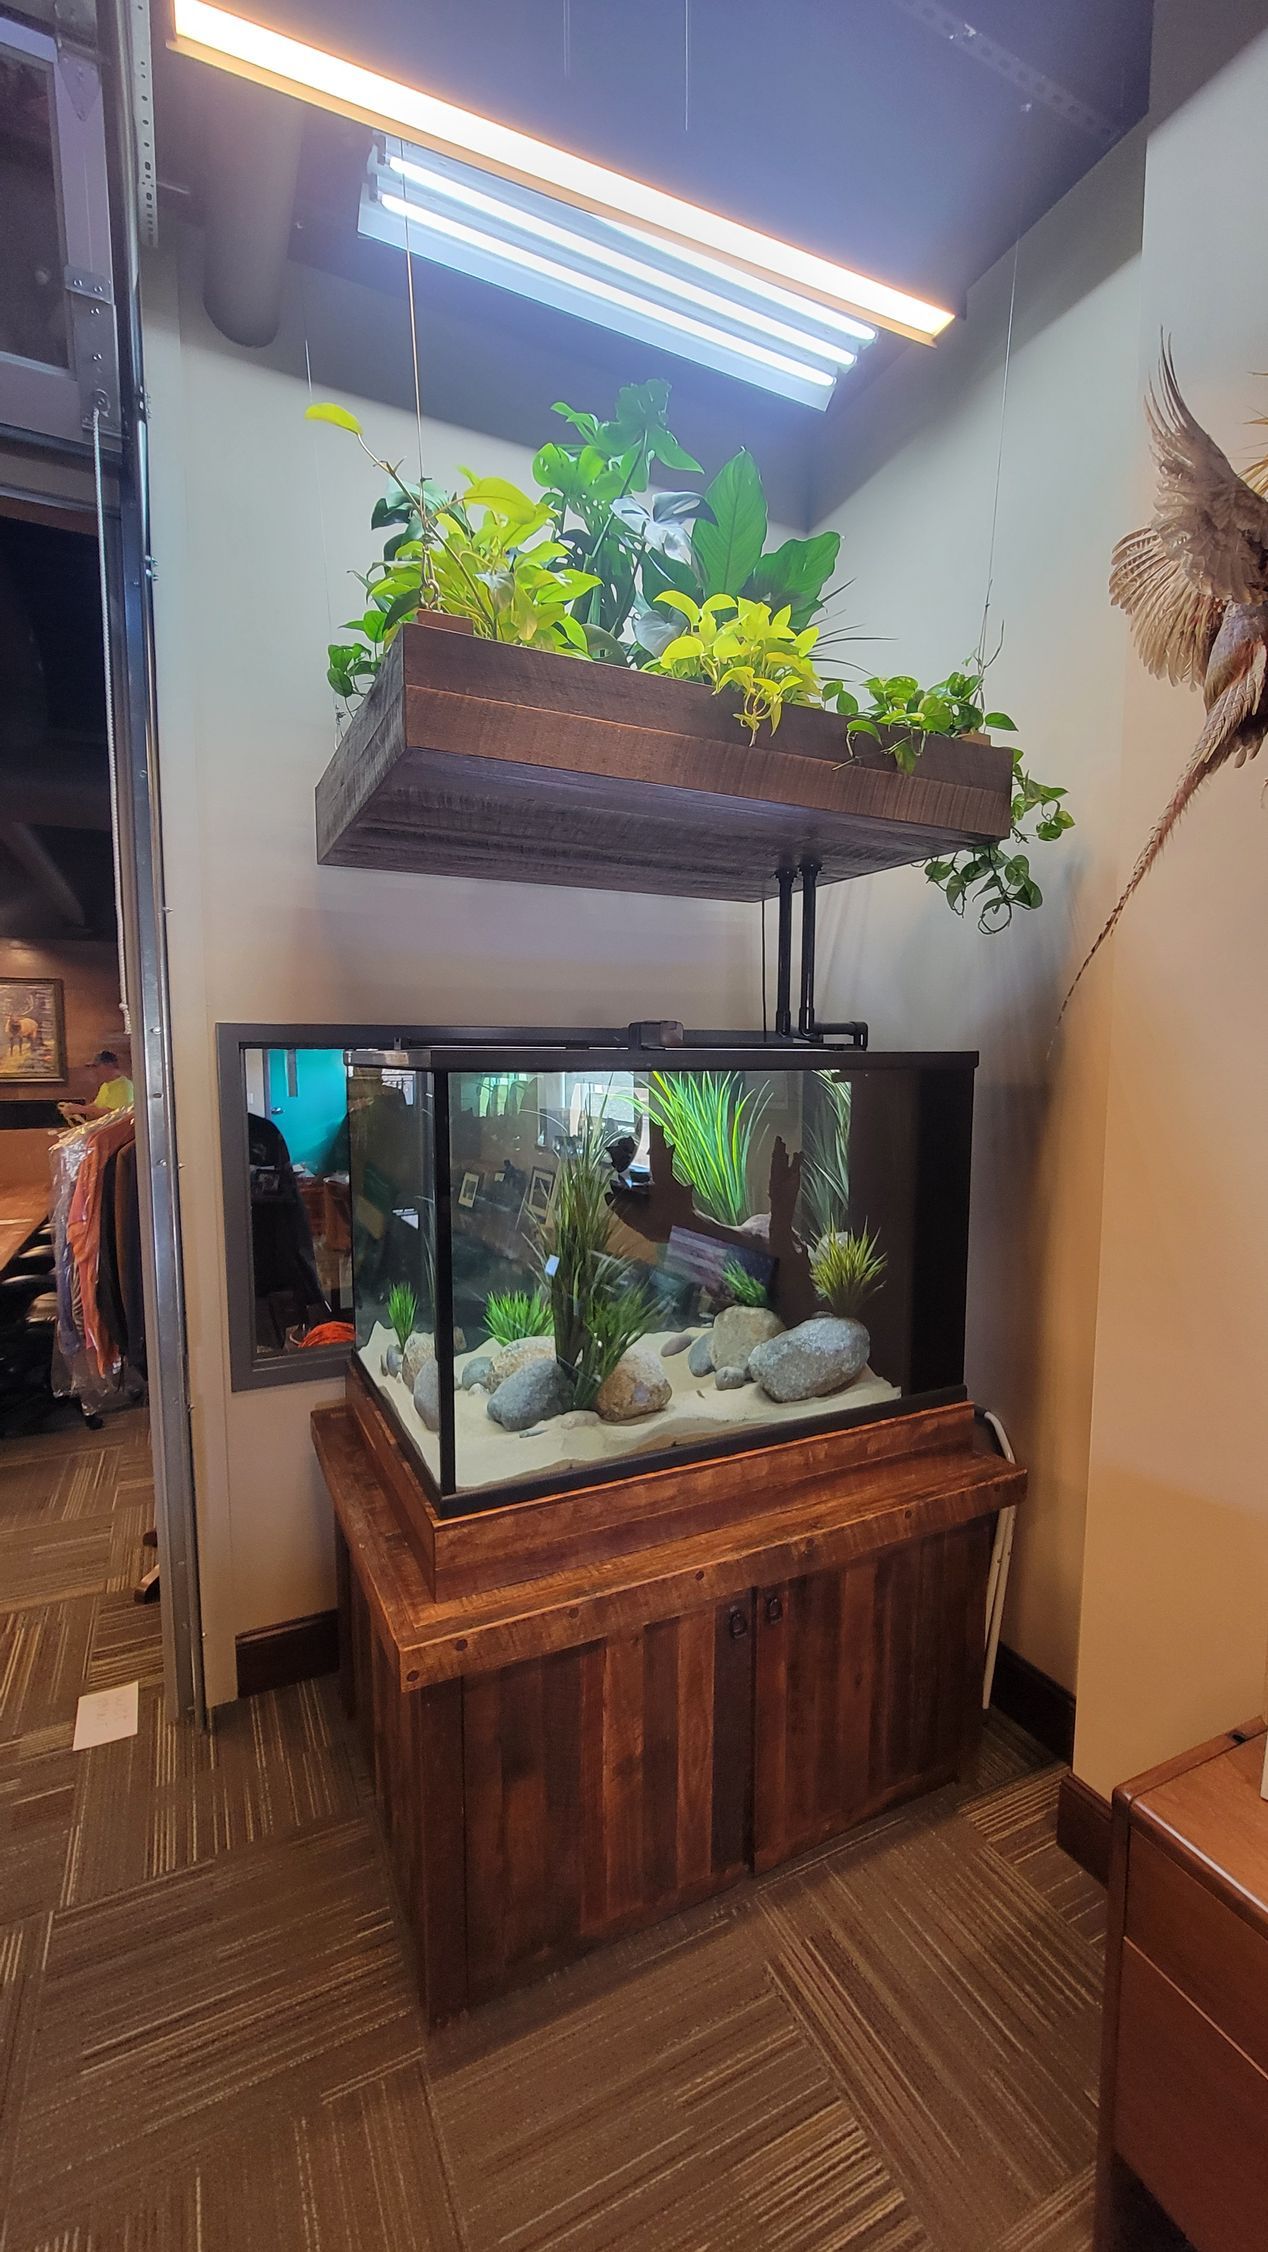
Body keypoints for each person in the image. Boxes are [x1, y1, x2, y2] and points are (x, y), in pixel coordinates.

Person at [59, 1049, 135, 1125]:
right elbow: (96, 1105)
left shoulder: (124, 1086)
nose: (94, 1071)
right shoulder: (105, 1085)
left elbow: (113, 1114)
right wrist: (74, 1108)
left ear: (110, 1066)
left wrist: (82, 1109)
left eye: (96, 1066)